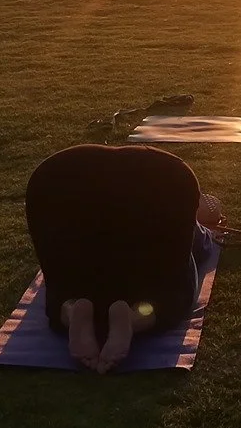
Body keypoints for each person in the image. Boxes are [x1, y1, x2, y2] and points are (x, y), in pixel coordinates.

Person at [25, 143, 218, 373]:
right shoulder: (169, 186)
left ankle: (70, 308)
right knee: (178, 288)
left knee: (63, 284)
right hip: (163, 181)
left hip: (62, 177)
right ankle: (134, 318)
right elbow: (209, 210)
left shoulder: (57, 175)